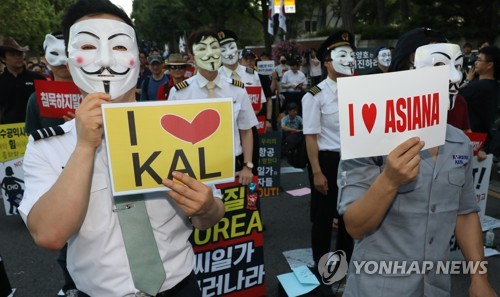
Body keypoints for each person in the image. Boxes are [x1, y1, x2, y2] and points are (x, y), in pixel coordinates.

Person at [19, 1, 225, 296]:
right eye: (88, 46)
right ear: (69, 59)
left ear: (137, 58)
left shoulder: (178, 128)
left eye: (118, 47)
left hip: (181, 288)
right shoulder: (46, 147)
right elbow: (49, 235)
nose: (105, 61)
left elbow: (213, 212)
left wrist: (205, 208)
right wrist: (84, 148)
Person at [337, 29, 497, 297]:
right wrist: (389, 181)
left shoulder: (458, 141)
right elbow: (355, 225)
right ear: (406, 70)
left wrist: (479, 278)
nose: (454, 78)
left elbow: (465, 212)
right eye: (438, 66)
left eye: (457, 67)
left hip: (435, 288)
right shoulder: (368, 139)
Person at [301, 29, 356, 296]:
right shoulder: (314, 95)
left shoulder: (361, 90)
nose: (348, 59)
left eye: (351, 54)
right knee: (323, 222)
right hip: (328, 161)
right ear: (327, 61)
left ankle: (343, 272)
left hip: (356, 162)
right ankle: (324, 272)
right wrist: (317, 172)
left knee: (350, 220)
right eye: (341, 54)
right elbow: (311, 137)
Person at [169, 29, 258, 186]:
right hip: (194, 168)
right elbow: (173, 139)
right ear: (192, 58)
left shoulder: (237, 89)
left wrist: (248, 166)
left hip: (233, 166)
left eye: (214, 47)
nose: (210, 54)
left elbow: (246, 130)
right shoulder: (179, 93)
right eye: (202, 49)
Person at [25, 32, 75, 134]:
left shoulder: (94, 96)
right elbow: (33, 139)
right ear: (46, 60)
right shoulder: (36, 99)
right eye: (55, 53)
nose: (62, 61)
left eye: (68, 53)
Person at [459, 45, 500, 159]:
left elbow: (453, 97)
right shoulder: (494, 86)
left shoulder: (477, 88)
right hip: (488, 141)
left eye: (479, 59)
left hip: (473, 141)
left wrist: (467, 81)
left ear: (489, 65)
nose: (475, 62)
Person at [0, 37, 46, 124]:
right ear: (3, 59)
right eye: (12, 54)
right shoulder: (1, 81)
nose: (18, 57)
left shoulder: (38, 79)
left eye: (20, 54)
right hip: (9, 132)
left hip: (36, 129)